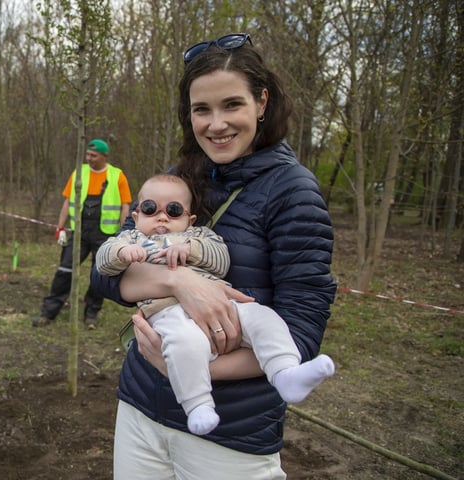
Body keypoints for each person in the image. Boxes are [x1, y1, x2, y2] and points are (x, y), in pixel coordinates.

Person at [91, 33, 337, 479]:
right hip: (141, 407)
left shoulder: (293, 193)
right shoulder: (175, 181)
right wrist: (177, 281)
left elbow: (300, 332)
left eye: (232, 105)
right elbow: (106, 276)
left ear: (261, 102)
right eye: (201, 109)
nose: (216, 124)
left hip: (230, 434)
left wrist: (184, 367)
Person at [96, 173, 335, 436]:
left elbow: (221, 259)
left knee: (262, 318)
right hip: (167, 313)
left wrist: (191, 249)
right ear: (136, 215)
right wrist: (121, 254)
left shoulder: (198, 236)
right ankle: (198, 405)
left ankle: (285, 372)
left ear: (190, 218)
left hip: (224, 305)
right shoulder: (130, 239)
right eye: (151, 209)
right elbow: (102, 264)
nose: (162, 217)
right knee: (184, 343)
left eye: (173, 211)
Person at [34, 138, 132, 330]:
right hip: (79, 232)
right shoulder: (79, 173)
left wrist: (124, 234)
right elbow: (67, 201)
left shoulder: (117, 176)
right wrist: (60, 227)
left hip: (104, 234)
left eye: (93, 155)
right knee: (65, 270)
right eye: (87, 154)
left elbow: (125, 206)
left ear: (104, 156)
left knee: (99, 274)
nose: (89, 158)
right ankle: (49, 312)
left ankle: (91, 313)